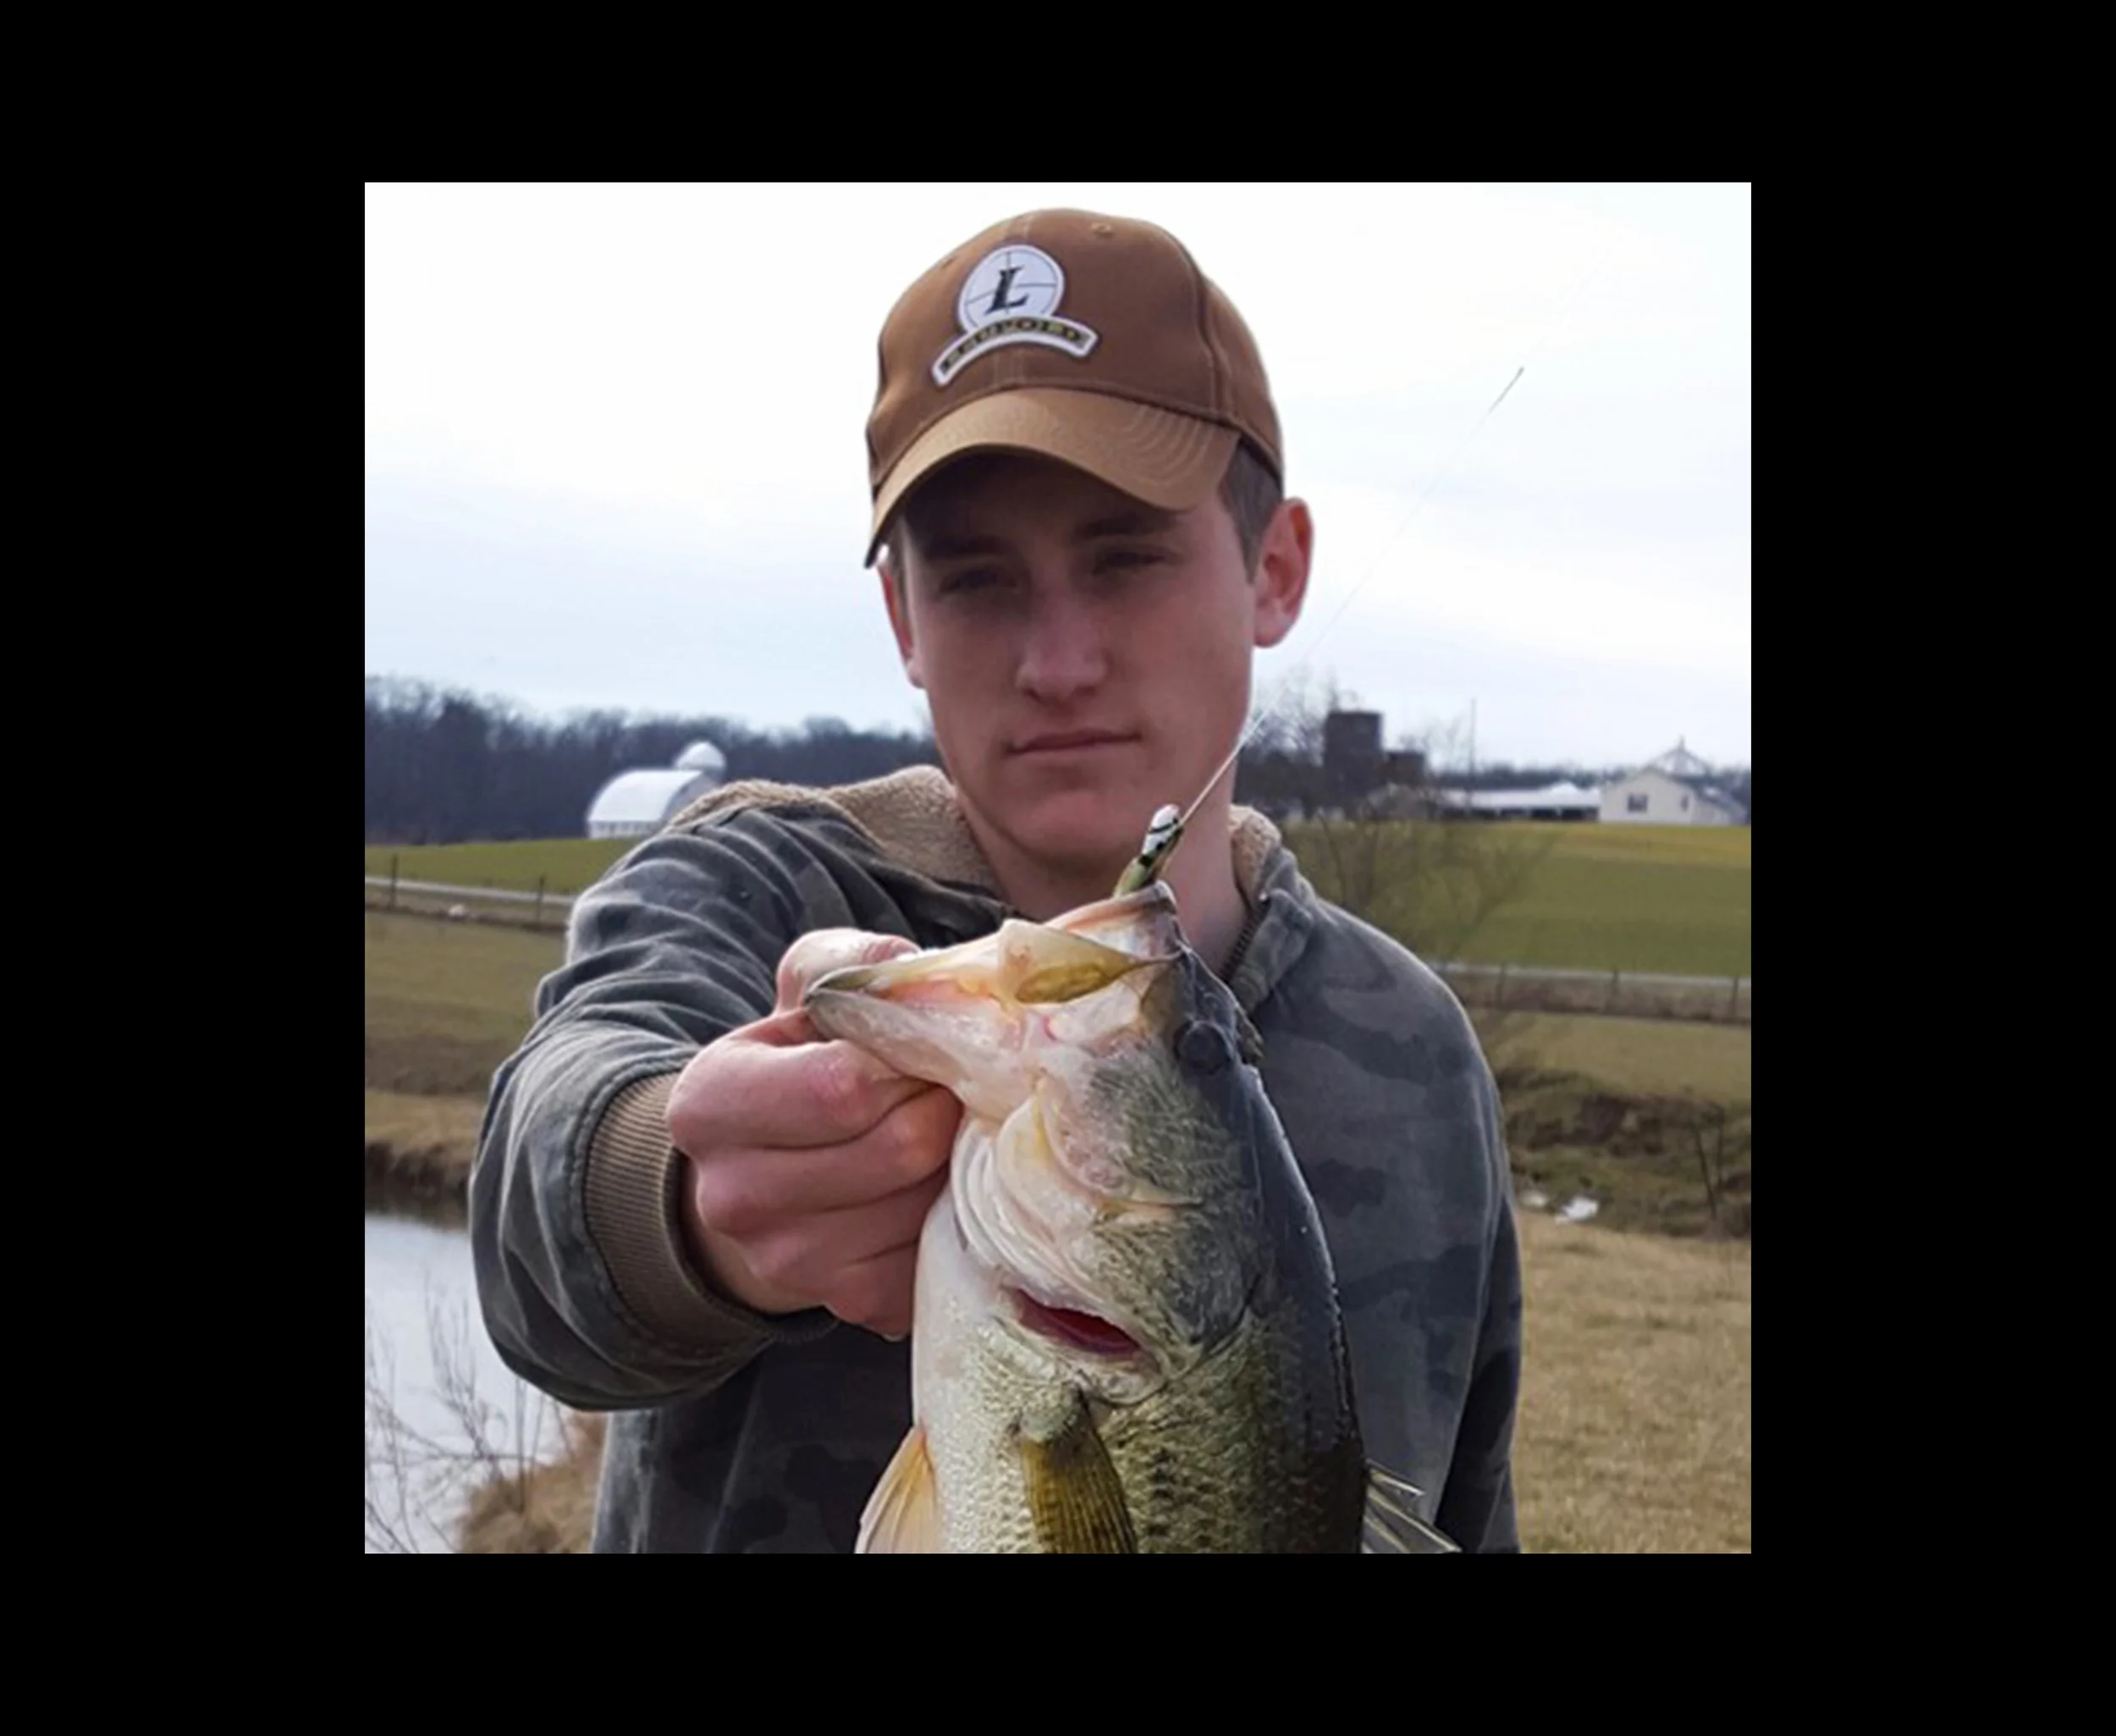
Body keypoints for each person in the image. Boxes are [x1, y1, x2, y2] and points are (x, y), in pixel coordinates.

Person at [471, 207, 1523, 1552]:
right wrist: (683, 1193)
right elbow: (538, 1190)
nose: (1059, 659)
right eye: (977, 580)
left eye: (1124, 555)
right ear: (904, 620)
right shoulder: (746, 887)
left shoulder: (1421, 1050)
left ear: (1276, 568)